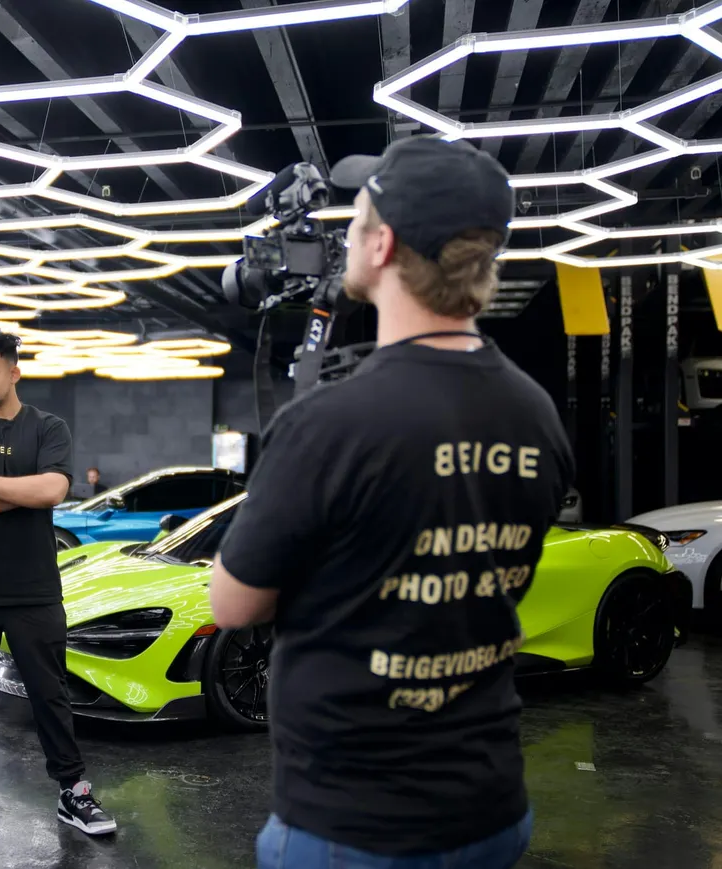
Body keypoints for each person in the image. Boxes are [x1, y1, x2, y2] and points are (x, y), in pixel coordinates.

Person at [208, 136, 575, 869]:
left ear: (382, 246)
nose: (344, 236)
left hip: (352, 825)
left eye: (357, 221)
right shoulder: (536, 412)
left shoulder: (326, 424)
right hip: (492, 806)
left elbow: (233, 605)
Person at [0, 327, 116, 839]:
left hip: (34, 589)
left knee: (50, 694)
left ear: (15, 371)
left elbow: (54, 489)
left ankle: (72, 791)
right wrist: (18, 490)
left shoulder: (48, 427)